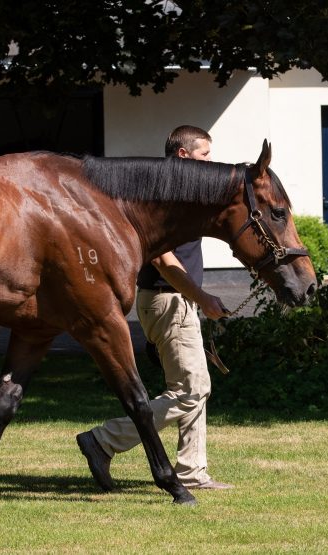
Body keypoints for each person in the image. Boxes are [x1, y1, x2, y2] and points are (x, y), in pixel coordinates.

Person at [76, 125, 234, 491]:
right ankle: (103, 440)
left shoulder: (179, 193)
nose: (211, 162)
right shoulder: (160, 196)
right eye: (205, 155)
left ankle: (192, 471)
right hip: (169, 298)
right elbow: (163, 261)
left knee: (194, 385)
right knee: (191, 389)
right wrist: (202, 297)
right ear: (183, 155)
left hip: (173, 300)